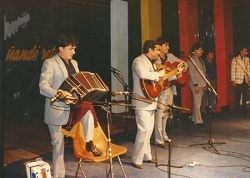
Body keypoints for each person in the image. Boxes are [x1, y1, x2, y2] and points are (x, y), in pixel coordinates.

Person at [39, 33, 102, 178]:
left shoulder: (74, 63)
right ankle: (59, 176)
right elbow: (43, 87)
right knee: (58, 145)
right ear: (60, 48)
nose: (74, 52)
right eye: (71, 49)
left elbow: (79, 83)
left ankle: (89, 142)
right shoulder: (49, 63)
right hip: (57, 110)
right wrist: (59, 93)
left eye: (74, 49)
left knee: (88, 108)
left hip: (72, 107)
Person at [131, 40, 166, 169]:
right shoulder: (138, 61)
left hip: (150, 101)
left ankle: (146, 155)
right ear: (150, 50)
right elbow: (143, 74)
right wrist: (158, 74)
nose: (159, 52)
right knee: (144, 130)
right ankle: (136, 158)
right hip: (141, 102)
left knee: (149, 130)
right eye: (157, 50)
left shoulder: (152, 63)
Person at [154, 37, 188, 147]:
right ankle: (158, 139)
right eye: (165, 45)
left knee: (167, 113)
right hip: (160, 89)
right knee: (159, 113)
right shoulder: (156, 59)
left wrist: (181, 69)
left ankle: (164, 134)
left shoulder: (171, 56)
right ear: (159, 47)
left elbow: (183, 63)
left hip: (170, 88)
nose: (168, 47)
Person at [187, 43, 206, 126]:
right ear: (195, 50)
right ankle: (199, 120)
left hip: (201, 83)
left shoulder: (199, 59)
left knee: (198, 102)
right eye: (200, 49)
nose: (202, 51)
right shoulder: (191, 60)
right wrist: (195, 84)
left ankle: (194, 119)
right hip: (196, 84)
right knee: (197, 103)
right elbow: (191, 73)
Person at [231, 47, 250, 113]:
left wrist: (249, 79)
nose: (245, 52)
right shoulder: (236, 59)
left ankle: (244, 108)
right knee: (238, 95)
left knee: (245, 94)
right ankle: (237, 109)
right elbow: (233, 70)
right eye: (244, 51)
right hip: (238, 79)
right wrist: (233, 80)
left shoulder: (247, 59)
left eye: (246, 51)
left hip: (245, 79)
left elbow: (248, 70)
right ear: (240, 51)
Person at [201, 50, 217, 114]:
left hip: (213, 80)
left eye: (213, 55)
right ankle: (203, 109)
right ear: (207, 56)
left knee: (213, 95)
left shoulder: (213, 63)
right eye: (211, 55)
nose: (212, 56)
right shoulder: (204, 63)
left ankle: (212, 109)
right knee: (204, 95)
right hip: (206, 81)